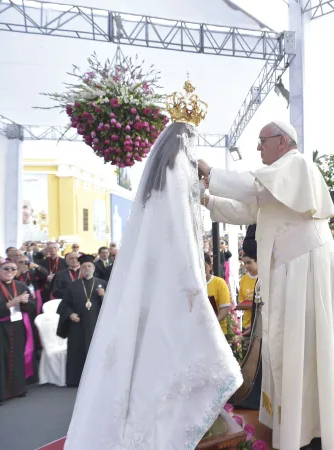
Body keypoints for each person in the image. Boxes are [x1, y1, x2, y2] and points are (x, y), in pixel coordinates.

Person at [63, 122, 242, 449]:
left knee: (146, 347)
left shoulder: (155, 185)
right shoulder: (176, 176)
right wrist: (191, 281)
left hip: (151, 278)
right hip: (172, 276)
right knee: (176, 346)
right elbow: (181, 235)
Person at [199, 120, 334, 450]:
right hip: (291, 269)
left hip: (306, 267)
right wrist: (207, 199)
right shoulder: (274, 182)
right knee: (293, 348)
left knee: (307, 348)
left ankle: (312, 428)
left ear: (282, 142)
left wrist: (211, 173)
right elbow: (244, 209)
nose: (258, 148)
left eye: (262, 141)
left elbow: (250, 188)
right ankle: (298, 425)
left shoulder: (297, 164)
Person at [0, 260, 36, 405]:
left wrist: (25, 303)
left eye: (13, 269)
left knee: (17, 358)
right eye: (6, 268)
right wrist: (9, 304)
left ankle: (18, 389)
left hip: (17, 327)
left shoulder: (21, 286)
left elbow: (33, 306)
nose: (10, 271)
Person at [55, 254, 106, 387]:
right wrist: (70, 314)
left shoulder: (102, 284)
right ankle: (76, 380)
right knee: (77, 351)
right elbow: (64, 305)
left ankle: (98, 380)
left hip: (97, 325)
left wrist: (104, 296)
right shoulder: (74, 285)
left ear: (94, 268)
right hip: (78, 325)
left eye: (89, 266)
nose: (86, 269)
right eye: (84, 267)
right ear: (80, 269)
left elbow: (113, 305)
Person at [203, 252, 233, 335]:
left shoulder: (219, 283)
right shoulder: (193, 285)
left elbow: (225, 309)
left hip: (217, 332)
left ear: (210, 267)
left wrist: (213, 323)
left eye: (204, 267)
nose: (201, 271)